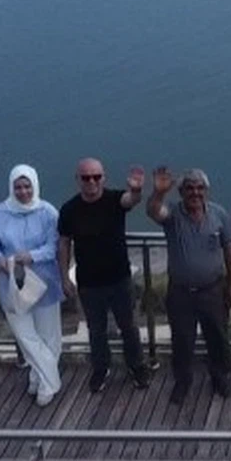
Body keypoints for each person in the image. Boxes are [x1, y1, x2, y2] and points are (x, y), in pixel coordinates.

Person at [147, 167, 231, 404]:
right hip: (180, 293)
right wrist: (158, 192)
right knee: (182, 340)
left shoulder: (219, 214)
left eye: (200, 188)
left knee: (218, 337)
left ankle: (220, 377)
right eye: (189, 188)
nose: (195, 193)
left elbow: (230, 251)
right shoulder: (172, 216)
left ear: (206, 191)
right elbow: (153, 211)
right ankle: (182, 382)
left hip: (213, 290)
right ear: (181, 192)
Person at [58, 158, 151, 394]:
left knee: (129, 327)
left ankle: (137, 366)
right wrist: (64, 277)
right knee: (96, 330)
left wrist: (137, 189)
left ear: (104, 178)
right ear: (77, 179)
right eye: (86, 177)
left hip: (120, 278)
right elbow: (64, 243)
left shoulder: (115, 199)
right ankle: (101, 369)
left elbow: (132, 200)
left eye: (96, 176)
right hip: (88, 283)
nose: (91, 181)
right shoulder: (69, 209)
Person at [0, 165, 63, 407]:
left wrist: (31, 256)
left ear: (35, 185)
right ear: (11, 187)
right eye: (18, 186)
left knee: (49, 336)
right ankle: (51, 378)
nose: (23, 191)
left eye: (27, 186)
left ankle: (42, 380)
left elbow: (55, 246)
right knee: (25, 336)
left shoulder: (48, 212)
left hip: (44, 282)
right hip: (12, 284)